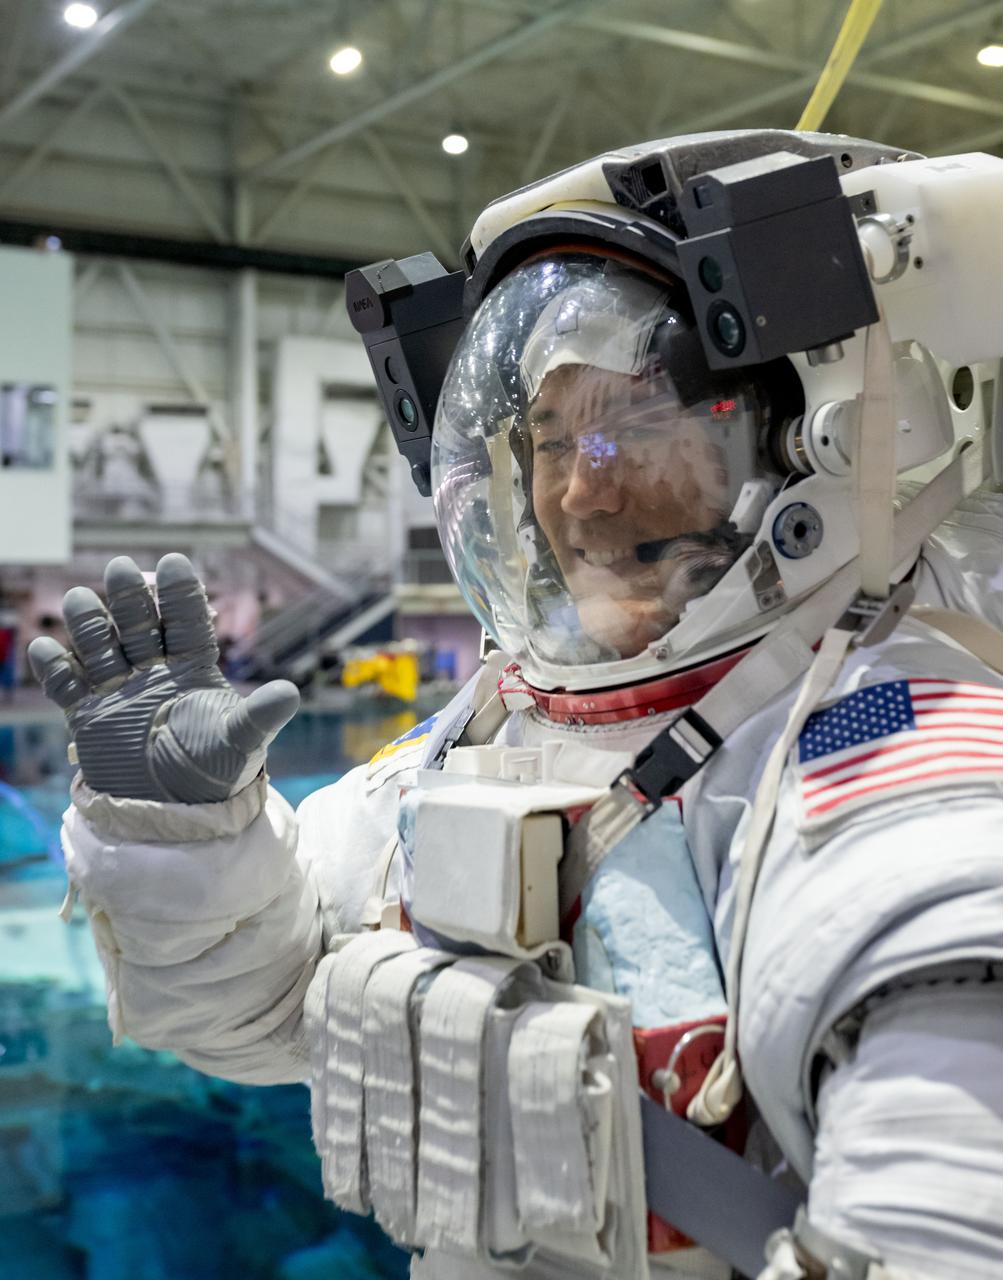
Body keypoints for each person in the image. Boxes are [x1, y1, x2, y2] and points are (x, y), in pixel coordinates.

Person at [29, 129, 1003, 1280]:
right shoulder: (486, 740)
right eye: (549, 440)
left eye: (635, 426)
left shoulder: (901, 791)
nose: (579, 491)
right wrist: (185, 841)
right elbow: (256, 1009)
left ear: (808, 446)